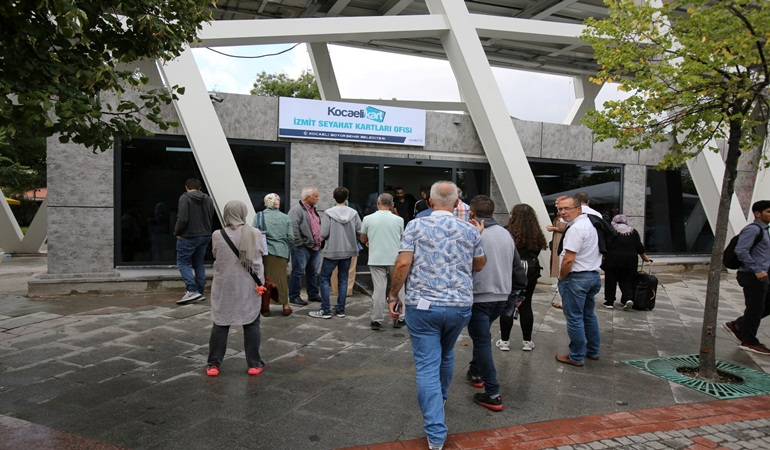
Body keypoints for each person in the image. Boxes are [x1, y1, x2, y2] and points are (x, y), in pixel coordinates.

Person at [387, 181, 486, 450]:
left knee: (427, 365)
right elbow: (479, 264)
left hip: (424, 306)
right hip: (459, 305)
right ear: (456, 204)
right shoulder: (469, 229)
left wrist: (393, 295)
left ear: (430, 202)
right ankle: (441, 397)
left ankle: (435, 432)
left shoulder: (416, 226)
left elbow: (404, 262)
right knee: (446, 352)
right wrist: (477, 237)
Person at [465, 195, 520, 412]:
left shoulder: (475, 234)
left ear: (471, 213)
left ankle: (493, 392)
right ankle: (475, 371)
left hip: (480, 296)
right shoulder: (506, 234)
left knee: (482, 342)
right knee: (482, 336)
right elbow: (516, 266)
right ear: (493, 213)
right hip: (501, 295)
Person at [206, 200, 267, 377]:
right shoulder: (254, 233)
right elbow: (257, 260)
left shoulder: (217, 234)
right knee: (251, 322)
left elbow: (216, 255)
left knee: (220, 322)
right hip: (247, 283)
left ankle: (213, 365)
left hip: (224, 284)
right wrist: (260, 283)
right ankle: (254, 364)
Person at [555, 195, 602, 367]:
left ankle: (576, 355)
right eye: (560, 209)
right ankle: (593, 350)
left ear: (579, 209)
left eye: (567, 208)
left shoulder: (576, 229)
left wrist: (562, 277)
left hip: (577, 278)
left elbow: (568, 259)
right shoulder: (590, 224)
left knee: (575, 317)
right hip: (592, 276)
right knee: (588, 315)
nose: (563, 212)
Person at [497, 203, 548, 352]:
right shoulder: (536, 232)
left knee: (508, 305)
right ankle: (527, 341)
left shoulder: (507, 232)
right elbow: (538, 251)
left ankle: (505, 341)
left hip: (512, 269)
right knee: (527, 305)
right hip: (531, 270)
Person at [723, 200, 770, 355]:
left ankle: (738, 325)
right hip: (752, 275)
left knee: (764, 306)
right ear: (757, 214)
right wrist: (756, 270)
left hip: (762, 275)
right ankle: (749, 341)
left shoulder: (765, 230)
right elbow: (741, 250)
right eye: (768, 211)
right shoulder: (753, 229)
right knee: (755, 309)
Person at [309, 187, 361, 319]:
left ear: (333, 197)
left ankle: (325, 310)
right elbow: (359, 230)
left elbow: (324, 233)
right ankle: (340, 309)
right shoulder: (353, 213)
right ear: (347, 197)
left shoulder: (328, 213)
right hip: (348, 250)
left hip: (332, 250)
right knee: (343, 279)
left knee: (325, 279)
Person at [359, 193, 405, 330]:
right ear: (392, 204)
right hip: (394, 258)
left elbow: (362, 239)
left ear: (378, 203)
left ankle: (377, 319)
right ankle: (401, 317)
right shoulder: (399, 220)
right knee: (399, 288)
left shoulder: (368, 219)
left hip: (376, 257)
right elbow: (402, 239)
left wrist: (369, 242)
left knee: (379, 289)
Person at [253, 193, 295, 317]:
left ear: (266, 202)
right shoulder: (285, 218)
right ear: (278, 203)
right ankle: (285, 306)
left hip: (264, 252)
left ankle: (265, 306)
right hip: (281, 252)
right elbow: (291, 237)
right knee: (281, 279)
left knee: (265, 279)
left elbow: (254, 233)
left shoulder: (259, 216)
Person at [175, 178, 215, 304]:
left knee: (182, 262)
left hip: (189, 236)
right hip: (205, 235)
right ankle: (200, 292)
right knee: (199, 263)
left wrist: (177, 232)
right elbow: (211, 215)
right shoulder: (208, 199)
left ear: (186, 187)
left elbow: (182, 218)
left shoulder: (185, 198)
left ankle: (192, 290)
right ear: (199, 188)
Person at [602, 214, 650, 310]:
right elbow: (639, 247)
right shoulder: (633, 231)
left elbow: (605, 245)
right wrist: (644, 257)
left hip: (613, 260)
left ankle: (609, 302)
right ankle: (628, 298)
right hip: (630, 261)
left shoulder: (611, 231)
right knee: (626, 280)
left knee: (610, 280)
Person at [288, 187, 323, 307]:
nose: (318, 198)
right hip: (302, 247)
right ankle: (294, 296)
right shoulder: (296, 209)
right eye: (315, 196)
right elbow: (292, 227)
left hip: (314, 246)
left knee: (312, 272)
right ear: (307, 197)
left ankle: (313, 294)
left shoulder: (313, 209)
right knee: (298, 272)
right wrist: (299, 243)